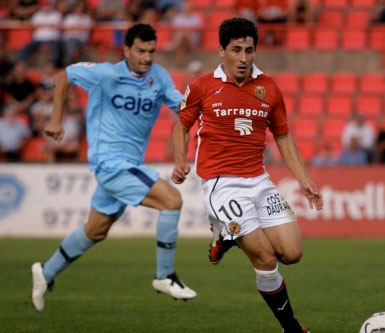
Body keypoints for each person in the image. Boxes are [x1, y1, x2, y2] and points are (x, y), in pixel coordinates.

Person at [31, 23, 197, 312]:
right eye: (141, 51)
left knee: (95, 231)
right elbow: (64, 76)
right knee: (172, 200)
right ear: (127, 50)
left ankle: (45, 272)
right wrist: (55, 120)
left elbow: (183, 110)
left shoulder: (158, 76)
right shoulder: (105, 74)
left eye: (152, 52)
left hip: (130, 165)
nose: (147, 58)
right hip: (109, 164)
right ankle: (164, 275)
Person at [171, 18, 323, 333]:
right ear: (221, 51)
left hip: (259, 181)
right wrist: (179, 161)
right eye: (236, 50)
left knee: (292, 254)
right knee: (266, 258)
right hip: (221, 185)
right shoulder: (202, 86)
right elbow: (182, 126)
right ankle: (291, 328)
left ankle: (227, 235)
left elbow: (282, 136)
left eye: (249, 50)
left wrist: (303, 180)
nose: (243, 58)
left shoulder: (269, 87)